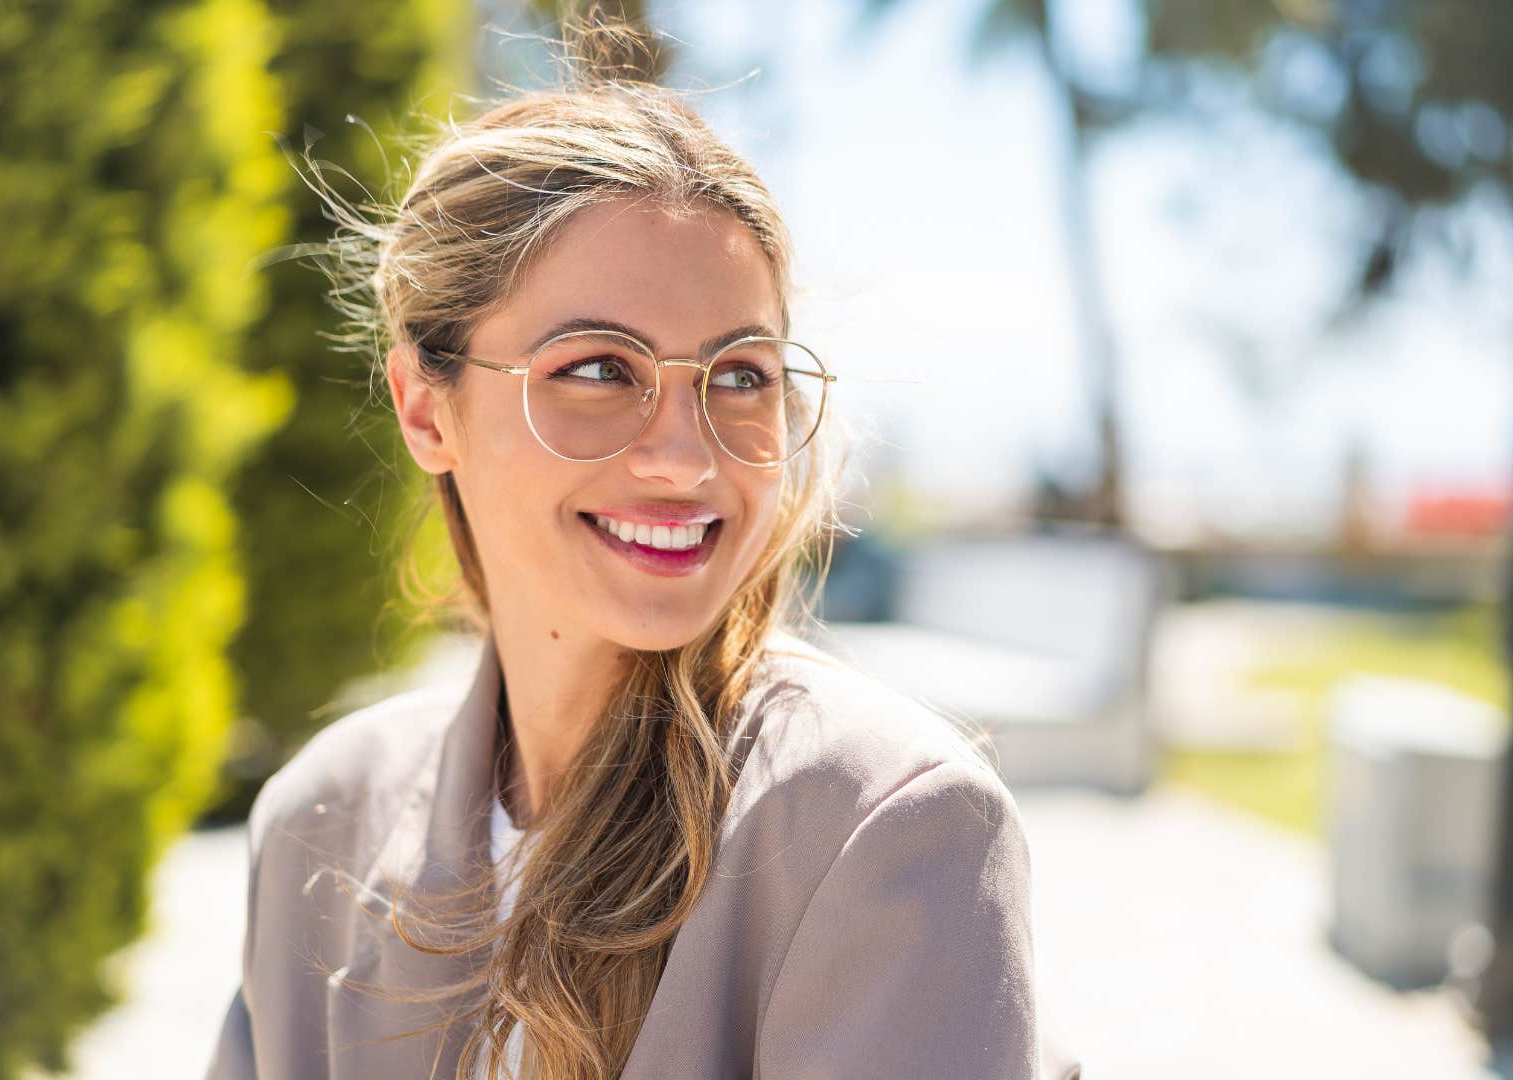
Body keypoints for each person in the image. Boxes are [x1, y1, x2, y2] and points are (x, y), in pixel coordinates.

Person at [205, 35, 1082, 1080]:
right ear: (425, 406)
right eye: (597, 369)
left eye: (740, 376)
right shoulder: (320, 820)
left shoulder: (893, 828)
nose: (682, 456)